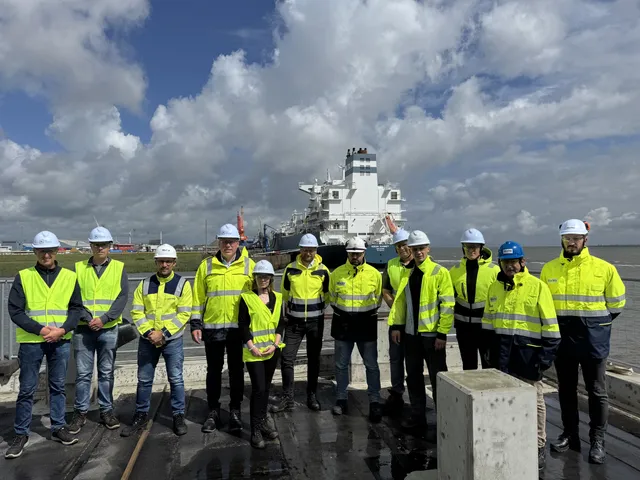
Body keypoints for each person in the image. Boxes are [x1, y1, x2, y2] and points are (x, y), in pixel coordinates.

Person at [541, 219, 626, 464]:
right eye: (567, 238)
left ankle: (597, 440)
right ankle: (570, 434)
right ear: (562, 240)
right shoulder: (549, 269)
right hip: (562, 340)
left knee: (597, 391)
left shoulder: (604, 268)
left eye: (576, 238)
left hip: (593, 339)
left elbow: (617, 304)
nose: (572, 242)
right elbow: (544, 305)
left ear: (585, 240)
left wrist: (596, 326)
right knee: (566, 390)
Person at [5, 231, 84, 459]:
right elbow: (15, 311)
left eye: (49, 250)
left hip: (60, 340)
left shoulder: (69, 277)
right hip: (32, 342)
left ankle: (58, 427)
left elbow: (76, 309)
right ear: (35, 252)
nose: (46, 254)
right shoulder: (24, 276)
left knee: (58, 386)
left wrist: (62, 330)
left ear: (57, 251)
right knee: (27, 389)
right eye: (41, 250)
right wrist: (41, 330)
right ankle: (21, 434)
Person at [482, 241, 560, 471]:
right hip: (502, 356)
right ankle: (510, 439)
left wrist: (545, 359)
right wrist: (488, 351)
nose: (510, 266)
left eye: (514, 262)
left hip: (529, 355)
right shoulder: (494, 288)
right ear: (500, 263)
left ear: (522, 262)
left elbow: (551, 328)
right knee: (504, 400)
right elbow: (488, 323)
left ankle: (538, 445)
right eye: (506, 262)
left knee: (535, 402)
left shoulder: (537, 287)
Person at [121, 244, 192, 437]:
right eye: (161, 261)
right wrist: (149, 332)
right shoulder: (144, 284)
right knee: (144, 379)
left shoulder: (182, 284)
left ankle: (178, 415)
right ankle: (141, 415)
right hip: (148, 340)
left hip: (172, 340)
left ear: (174, 263)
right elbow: (137, 311)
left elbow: (184, 314)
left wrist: (164, 333)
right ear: (156, 262)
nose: (164, 264)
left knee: (176, 379)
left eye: (168, 261)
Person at [191, 224, 255, 433]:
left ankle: (235, 410)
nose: (228, 245)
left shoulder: (249, 266)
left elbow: (257, 298)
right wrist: (195, 324)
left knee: (237, 371)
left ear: (238, 243)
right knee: (214, 371)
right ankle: (213, 410)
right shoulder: (206, 267)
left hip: (238, 329)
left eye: (232, 241)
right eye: (224, 241)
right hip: (213, 328)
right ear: (219, 242)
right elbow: (198, 298)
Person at [389, 230, 454, 430]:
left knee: (438, 379)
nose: (418, 252)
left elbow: (447, 305)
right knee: (414, 378)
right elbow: (401, 303)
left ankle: (445, 420)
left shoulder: (439, 272)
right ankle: (418, 418)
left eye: (421, 248)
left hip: (432, 337)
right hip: (411, 336)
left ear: (428, 249)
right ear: (410, 249)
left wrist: (442, 333)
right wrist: (397, 326)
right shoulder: (407, 273)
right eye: (415, 249)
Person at [68, 226, 128, 434]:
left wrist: (104, 319)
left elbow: (122, 297)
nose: (100, 248)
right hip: (83, 329)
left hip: (108, 328)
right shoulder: (78, 268)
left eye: (104, 244)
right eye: (96, 244)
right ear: (91, 246)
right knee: (83, 374)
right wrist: (87, 318)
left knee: (106, 373)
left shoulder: (119, 268)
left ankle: (106, 411)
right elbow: (73, 297)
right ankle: (80, 412)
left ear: (109, 246)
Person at [271, 233, 329, 413]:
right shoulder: (290, 269)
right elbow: (285, 295)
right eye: (305, 250)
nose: (308, 253)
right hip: (294, 322)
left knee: (314, 359)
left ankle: (312, 395)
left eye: (311, 250)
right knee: (287, 358)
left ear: (316, 251)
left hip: (315, 322)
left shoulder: (324, 271)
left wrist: (316, 310)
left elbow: (327, 295)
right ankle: (287, 398)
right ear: (300, 250)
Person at [329, 237, 383, 422]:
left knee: (371, 365)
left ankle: (374, 401)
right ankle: (341, 399)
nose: (355, 256)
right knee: (341, 365)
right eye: (352, 253)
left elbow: (378, 299)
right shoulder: (337, 274)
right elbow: (332, 297)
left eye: (358, 253)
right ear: (347, 253)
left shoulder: (374, 274)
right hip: (342, 324)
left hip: (366, 324)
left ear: (364, 253)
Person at [238, 260, 285, 448]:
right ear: (255, 278)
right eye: (259, 276)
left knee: (265, 388)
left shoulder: (278, 298)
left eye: (266, 276)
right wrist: (252, 347)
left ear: (271, 278)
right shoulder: (247, 298)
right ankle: (255, 430)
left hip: (272, 351)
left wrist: (275, 345)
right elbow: (243, 326)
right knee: (258, 389)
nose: (263, 279)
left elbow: (280, 324)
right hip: (254, 353)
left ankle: (263, 421)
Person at [449, 228, 499, 370]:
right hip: (464, 328)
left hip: (487, 328)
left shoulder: (494, 270)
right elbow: (449, 298)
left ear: (481, 248)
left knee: (489, 366)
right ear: (463, 248)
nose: (471, 250)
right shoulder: (454, 271)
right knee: (468, 367)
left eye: (475, 247)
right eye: (468, 247)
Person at [381, 228, 413, 416]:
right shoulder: (391, 265)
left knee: (414, 360)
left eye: (405, 245)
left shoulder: (421, 264)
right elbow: (385, 290)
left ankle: (416, 397)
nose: (402, 248)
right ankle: (397, 393)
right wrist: (394, 305)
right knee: (395, 358)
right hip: (397, 321)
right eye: (398, 246)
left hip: (417, 322)